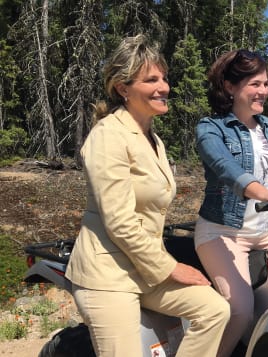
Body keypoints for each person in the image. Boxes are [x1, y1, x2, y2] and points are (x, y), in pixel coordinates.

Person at [65, 34, 230, 357]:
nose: (164, 87)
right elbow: (120, 222)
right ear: (122, 88)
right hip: (108, 275)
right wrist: (172, 268)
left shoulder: (152, 137)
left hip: (145, 271)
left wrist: (164, 267)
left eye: (164, 78)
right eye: (151, 79)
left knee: (214, 310)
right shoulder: (108, 136)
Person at [195, 49, 268, 357]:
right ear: (230, 87)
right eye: (256, 84)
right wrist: (266, 194)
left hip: (265, 232)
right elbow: (227, 168)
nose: (264, 91)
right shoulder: (211, 128)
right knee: (240, 311)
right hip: (223, 233)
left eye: (266, 84)